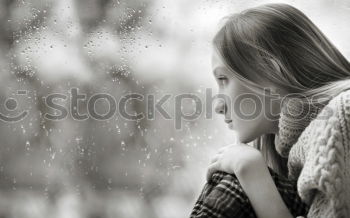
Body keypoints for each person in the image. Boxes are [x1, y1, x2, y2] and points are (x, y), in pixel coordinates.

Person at [190, 3, 350, 218]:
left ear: (269, 70)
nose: (218, 106)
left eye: (223, 79)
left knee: (233, 183)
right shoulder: (292, 152)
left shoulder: (341, 116)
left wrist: (253, 175)